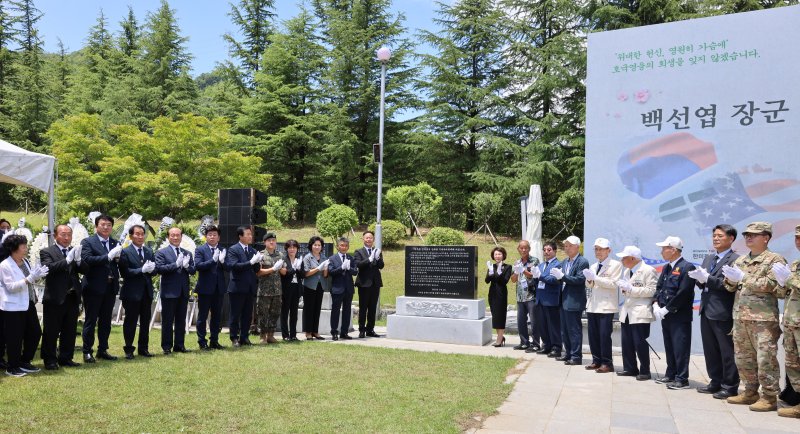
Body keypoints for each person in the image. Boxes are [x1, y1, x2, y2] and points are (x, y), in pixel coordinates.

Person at [723, 221, 786, 411]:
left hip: (763, 320)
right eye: (746, 235)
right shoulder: (741, 260)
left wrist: (743, 278)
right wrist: (731, 280)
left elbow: (774, 286)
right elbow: (729, 287)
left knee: (765, 359)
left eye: (754, 235)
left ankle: (769, 396)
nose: (748, 237)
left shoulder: (774, 260)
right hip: (741, 318)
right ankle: (750, 392)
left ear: (766, 238)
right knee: (744, 358)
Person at [688, 224, 740, 399]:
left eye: (720, 236)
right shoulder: (709, 258)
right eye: (714, 236)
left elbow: (729, 286)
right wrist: (699, 280)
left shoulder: (736, 260)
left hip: (723, 311)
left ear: (731, 239)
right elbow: (705, 283)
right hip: (706, 309)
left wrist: (707, 279)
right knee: (710, 349)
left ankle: (730, 385)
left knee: (726, 351)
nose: (716, 239)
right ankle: (715, 381)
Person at [652, 236, 696, 390]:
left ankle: (682, 378)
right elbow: (660, 288)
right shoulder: (667, 267)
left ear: (674, 250)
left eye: (664, 248)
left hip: (679, 315)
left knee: (680, 347)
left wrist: (667, 308)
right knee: (669, 346)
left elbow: (684, 293)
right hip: (666, 315)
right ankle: (670, 374)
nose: (662, 251)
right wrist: (656, 303)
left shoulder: (687, 267)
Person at [1, 235, 47, 377]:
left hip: (28, 302)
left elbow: (30, 279)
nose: (26, 249)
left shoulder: (25, 261)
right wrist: (29, 279)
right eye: (23, 246)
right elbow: (11, 287)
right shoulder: (5, 265)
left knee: (35, 332)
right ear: (14, 248)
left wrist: (37, 275)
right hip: (12, 306)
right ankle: (12, 366)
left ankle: (24, 361)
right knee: (15, 337)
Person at [80, 214, 123, 363]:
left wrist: (119, 257)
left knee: (106, 321)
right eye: (103, 224)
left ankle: (102, 349)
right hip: (93, 287)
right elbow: (87, 259)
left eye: (109, 225)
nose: (106, 227)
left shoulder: (115, 242)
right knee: (91, 320)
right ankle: (87, 351)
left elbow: (118, 262)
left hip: (110, 287)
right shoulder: (88, 242)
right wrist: (108, 257)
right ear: (96, 226)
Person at [39, 224, 82, 369]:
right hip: (55, 297)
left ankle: (66, 357)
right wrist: (67, 261)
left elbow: (85, 270)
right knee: (51, 331)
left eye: (69, 234)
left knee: (69, 330)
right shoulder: (47, 251)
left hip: (72, 296)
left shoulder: (73, 251)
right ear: (55, 235)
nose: (66, 237)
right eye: (63, 234)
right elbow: (48, 268)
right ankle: (50, 359)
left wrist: (79, 260)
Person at [615, 245, 657, 381]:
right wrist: (625, 289)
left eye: (624, 257)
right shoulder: (627, 271)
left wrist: (631, 289)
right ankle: (630, 368)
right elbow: (629, 290)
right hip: (627, 310)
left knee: (640, 342)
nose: (621, 260)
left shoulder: (648, 270)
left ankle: (645, 371)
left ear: (632, 258)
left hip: (640, 311)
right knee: (626, 342)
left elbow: (652, 291)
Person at [155, 227, 196, 354]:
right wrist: (176, 265)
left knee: (181, 319)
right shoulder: (162, 252)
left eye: (178, 235)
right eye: (172, 235)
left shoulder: (187, 253)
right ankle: (166, 347)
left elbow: (193, 271)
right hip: (169, 291)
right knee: (167, 321)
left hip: (183, 291)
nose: (175, 237)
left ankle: (180, 345)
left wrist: (187, 266)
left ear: (181, 237)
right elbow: (159, 269)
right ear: (168, 237)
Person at [549, 236, 589, 365]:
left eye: (570, 246)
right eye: (565, 246)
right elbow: (560, 278)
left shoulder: (582, 261)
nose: (567, 248)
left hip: (574, 300)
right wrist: (557, 276)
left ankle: (576, 356)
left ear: (577, 246)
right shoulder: (565, 261)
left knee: (574, 330)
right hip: (563, 299)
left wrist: (563, 277)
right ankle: (568, 353)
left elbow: (579, 279)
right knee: (564, 330)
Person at [119, 224, 157, 359]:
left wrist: (153, 269)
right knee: (130, 321)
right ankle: (128, 349)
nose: (140, 236)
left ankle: (143, 348)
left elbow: (154, 270)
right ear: (131, 236)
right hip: (131, 293)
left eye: (142, 234)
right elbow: (125, 272)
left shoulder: (148, 251)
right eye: (137, 234)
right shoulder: (125, 252)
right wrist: (141, 270)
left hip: (146, 293)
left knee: (145, 322)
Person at [584, 238, 622, 373]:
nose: (598, 252)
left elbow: (613, 284)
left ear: (609, 250)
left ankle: (607, 363)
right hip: (593, 304)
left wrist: (595, 278)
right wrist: (589, 279)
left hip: (606, 306)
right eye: (596, 249)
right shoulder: (594, 266)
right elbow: (589, 285)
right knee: (593, 335)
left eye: (601, 249)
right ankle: (596, 360)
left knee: (604, 335)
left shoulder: (616, 265)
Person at [775, 224, 800, 417]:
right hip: (792, 322)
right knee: (792, 364)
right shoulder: (795, 265)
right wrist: (781, 283)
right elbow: (784, 293)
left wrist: (789, 279)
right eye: (797, 238)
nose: (798, 241)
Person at [225, 226, 261, 347]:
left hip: (250, 287)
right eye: (247, 234)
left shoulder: (252, 250)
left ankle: (244, 337)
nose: (250, 236)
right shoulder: (233, 249)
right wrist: (250, 262)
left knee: (247, 315)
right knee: (235, 314)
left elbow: (256, 270)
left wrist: (258, 262)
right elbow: (234, 266)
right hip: (237, 287)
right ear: (240, 236)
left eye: (251, 234)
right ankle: (234, 337)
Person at [194, 225, 226, 350]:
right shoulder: (200, 250)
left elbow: (228, 267)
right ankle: (202, 341)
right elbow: (198, 265)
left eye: (215, 235)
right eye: (210, 235)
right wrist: (213, 260)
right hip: (205, 288)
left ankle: (214, 340)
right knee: (202, 316)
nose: (212, 237)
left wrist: (223, 262)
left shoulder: (223, 249)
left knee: (217, 316)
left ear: (219, 237)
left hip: (219, 288)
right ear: (206, 236)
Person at [532, 241, 562, 358]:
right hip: (540, 299)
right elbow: (537, 281)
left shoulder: (558, 264)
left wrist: (540, 276)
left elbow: (554, 280)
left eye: (549, 250)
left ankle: (556, 347)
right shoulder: (541, 265)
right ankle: (546, 345)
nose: (546, 252)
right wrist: (535, 277)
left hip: (551, 299)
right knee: (542, 324)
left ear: (554, 251)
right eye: (544, 250)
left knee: (553, 325)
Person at [510, 240, 540, 352]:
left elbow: (534, 276)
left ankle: (536, 344)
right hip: (520, 296)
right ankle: (524, 342)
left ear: (529, 249)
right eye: (521, 248)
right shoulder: (517, 262)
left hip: (531, 295)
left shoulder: (534, 260)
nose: (523, 250)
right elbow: (513, 280)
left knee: (534, 321)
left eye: (525, 248)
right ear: (518, 249)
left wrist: (524, 270)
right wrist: (517, 271)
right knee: (521, 321)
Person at [255, 232, 285, 344]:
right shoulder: (261, 255)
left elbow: (284, 272)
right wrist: (273, 269)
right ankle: (263, 336)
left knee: (275, 313)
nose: (272, 242)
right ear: (265, 242)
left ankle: (271, 335)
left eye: (273, 240)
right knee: (263, 313)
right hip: (264, 290)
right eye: (269, 240)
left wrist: (280, 268)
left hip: (277, 290)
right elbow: (258, 272)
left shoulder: (280, 255)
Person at [354, 231, 384, 338]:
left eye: (370, 238)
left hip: (375, 283)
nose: (369, 240)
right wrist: (369, 259)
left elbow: (381, 266)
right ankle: (362, 329)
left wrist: (377, 258)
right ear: (363, 239)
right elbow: (358, 265)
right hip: (364, 284)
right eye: (367, 238)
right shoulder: (358, 251)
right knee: (363, 308)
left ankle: (370, 329)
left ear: (373, 239)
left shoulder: (377, 251)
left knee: (372, 308)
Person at [328, 237, 358, 341]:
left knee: (347, 311)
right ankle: (334, 332)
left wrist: (349, 268)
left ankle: (344, 332)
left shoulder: (351, 257)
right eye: (342, 245)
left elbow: (355, 272)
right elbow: (331, 272)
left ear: (348, 247)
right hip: (337, 288)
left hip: (349, 288)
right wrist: (341, 268)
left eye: (346, 246)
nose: (344, 247)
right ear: (338, 246)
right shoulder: (332, 258)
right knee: (335, 311)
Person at [302, 236, 330, 340]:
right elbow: (306, 273)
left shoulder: (324, 257)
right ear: (311, 246)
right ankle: (308, 332)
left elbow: (325, 275)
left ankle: (315, 331)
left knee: (317, 309)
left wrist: (326, 268)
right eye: (315, 245)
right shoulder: (307, 257)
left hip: (320, 285)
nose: (317, 247)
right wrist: (318, 268)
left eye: (319, 245)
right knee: (309, 309)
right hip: (310, 286)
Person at [486, 246, 512, 347]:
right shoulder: (491, 266)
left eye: (499, 254)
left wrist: (499, 272)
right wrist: (491, 271)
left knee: (500, 316)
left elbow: (503, 281)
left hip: (501, 293)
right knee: (495, 316)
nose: (497, 256)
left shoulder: (508, 267)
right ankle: (500, 337)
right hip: (492, 293)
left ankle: (499, 339)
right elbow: (487, 280)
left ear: (503, 255)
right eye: (496, 254)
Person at [279, 239, 303, 341]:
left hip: (296, 288)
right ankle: (285, 335)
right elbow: (284, 274)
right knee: (285, 312)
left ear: (297, 249)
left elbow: (302, 275)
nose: (292, 249)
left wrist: (299, 269)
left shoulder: (299, 259)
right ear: (287, 249)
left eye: (294, 247)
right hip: (286, 288)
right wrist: (293, 269)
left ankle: (293, 334)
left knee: (294, 313)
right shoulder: (284, 260)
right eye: (290, 247)